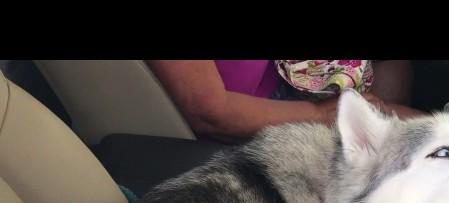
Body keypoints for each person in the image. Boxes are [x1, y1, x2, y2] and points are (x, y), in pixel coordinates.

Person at [147, 60, 423, 141]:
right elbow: (210, 112)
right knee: (415, 133)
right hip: (268, 116)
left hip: (301, 76)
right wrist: (320, 115)